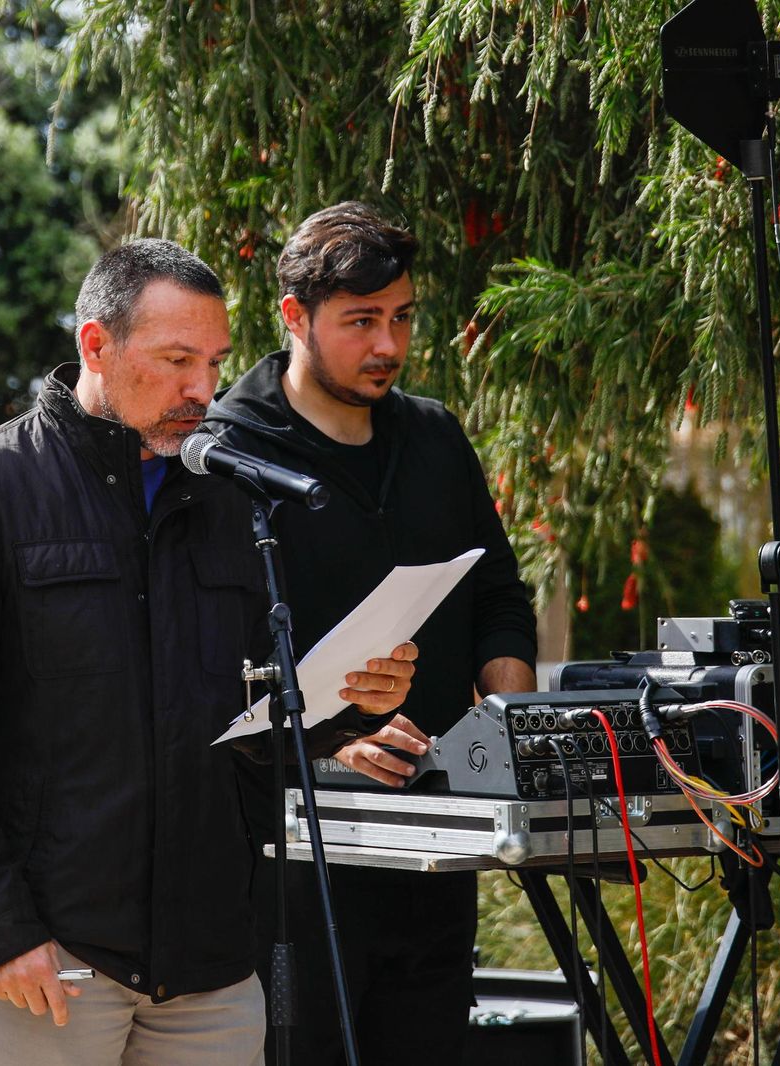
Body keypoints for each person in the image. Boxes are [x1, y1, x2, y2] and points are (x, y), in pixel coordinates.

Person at [0, 238, 418, 1066]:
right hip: (53, 965)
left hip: (211, 969)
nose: (202, 390)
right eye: (175, 361)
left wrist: (346, 709)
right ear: (96, 344)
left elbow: (245, 727)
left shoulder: (233, 500)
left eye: (214, 362)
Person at [205, 202, 538, 1065]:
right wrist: (332, 742)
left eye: (400, 318)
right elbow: (205, 662)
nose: (387, 345)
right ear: (293, 317)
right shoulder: (227, 451)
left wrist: (513, 724)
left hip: (436, 846)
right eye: (360, 322)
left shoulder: (432, 436)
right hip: (291, 862)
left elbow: (498, 591)